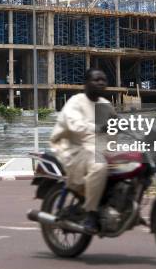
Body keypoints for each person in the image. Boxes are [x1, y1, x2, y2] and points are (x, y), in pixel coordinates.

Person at [49, 68, 113, 233]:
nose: (100, 82)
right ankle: (90, 214)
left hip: (94, 148)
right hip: (72, 148)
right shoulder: (75, 102)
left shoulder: (105, 105)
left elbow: (117, 124)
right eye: (96, 79)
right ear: (86, 83)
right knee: (99, 166)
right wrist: (99, 127)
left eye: (103, 79)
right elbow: (75, 125)